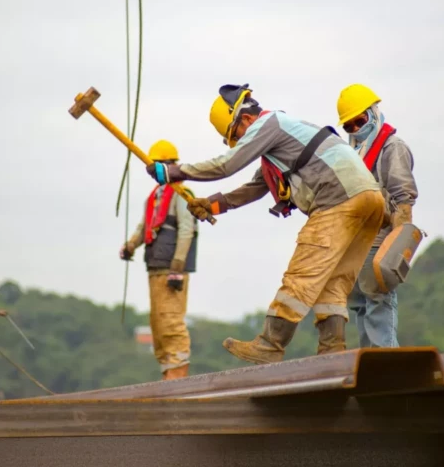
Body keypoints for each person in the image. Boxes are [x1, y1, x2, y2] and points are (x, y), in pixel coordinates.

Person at [146, 84, 385, 364]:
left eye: (235, 135)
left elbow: (227, 164)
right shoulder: (286, 135)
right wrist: (211, 205)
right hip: (369, 200)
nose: (239, 143)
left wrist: (174, 171)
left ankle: (271, 344)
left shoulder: (268, 124)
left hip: (338, 199)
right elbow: (256, 187)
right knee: (334, 283)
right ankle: (332, 352)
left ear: (246, 119)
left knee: (300, 276)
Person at [336, 84, 418, 348]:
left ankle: (387, 363)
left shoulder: (392, 148)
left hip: (381, 240)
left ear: (373, 113)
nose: (356, 129)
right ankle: (369, 362)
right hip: (357, 243)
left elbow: (403, 198)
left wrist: (396, 245)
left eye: (359, 121)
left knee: (378, 302)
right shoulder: (354, 154)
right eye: (349, 126)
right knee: (359, 304)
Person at [120, 140, 198, 380]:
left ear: (172, 166)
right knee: (158, 324)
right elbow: (145, 226)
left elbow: (187, 230)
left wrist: (177, 267)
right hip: (154, 266)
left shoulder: (182, 194)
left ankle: (178, 373)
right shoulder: (154, 197)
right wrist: (130, 246)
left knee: (172, 322)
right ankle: (167, 372)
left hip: (172, 269)